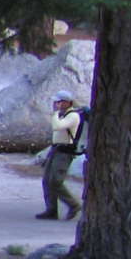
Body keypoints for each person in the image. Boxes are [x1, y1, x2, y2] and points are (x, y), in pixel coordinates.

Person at [37, 89, 84, 221]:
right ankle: (51, 209)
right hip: (56, 149)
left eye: (58, 102)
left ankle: (74, 205)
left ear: (67, 102)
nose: (56, 104)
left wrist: (55, 113)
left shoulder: (73, 116)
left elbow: (57, 126)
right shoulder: (63, 115)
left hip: (65, 152)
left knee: (56, 181)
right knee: (47, 180)